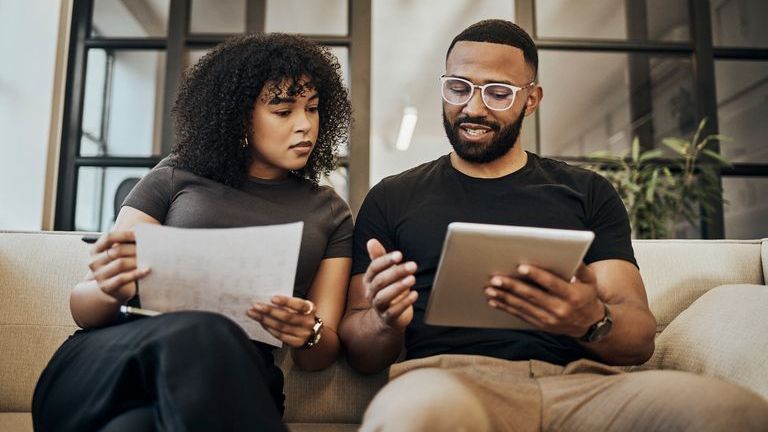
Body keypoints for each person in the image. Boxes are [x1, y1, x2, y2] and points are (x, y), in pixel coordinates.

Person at [339, 19, 768, 431]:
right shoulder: (392, 197)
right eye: (458, 87)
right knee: (414, 418)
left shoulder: (587, 191)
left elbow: (639, 339)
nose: (473, 107)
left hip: (580, 383)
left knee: (729, 412)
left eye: (498, 92)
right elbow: (361, 353)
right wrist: (382, 320)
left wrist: (590, 319)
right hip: (450, 382)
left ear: (532, 99)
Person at [32, 33, 353, 432]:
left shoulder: (330, 212)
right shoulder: (174, 175)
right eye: (284, 111)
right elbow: (83, 306)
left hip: (230, 383)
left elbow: (318, 355)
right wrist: (111, 286)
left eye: (314, 108)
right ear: (239, 116)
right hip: (115, 364)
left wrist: (310, 333)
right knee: (205, 330)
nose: (305, 125)